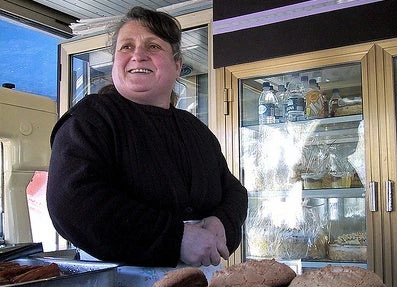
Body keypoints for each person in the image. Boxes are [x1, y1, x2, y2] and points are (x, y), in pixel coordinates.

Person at [46, 6, 248, 268]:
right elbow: (72, 202)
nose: (138, 55)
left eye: (153, 46)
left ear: (177, 66)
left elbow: (234, 191)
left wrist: (223, 221)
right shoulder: (90, 119)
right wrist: (175, 238)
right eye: (126, 47)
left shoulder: (197, 130)